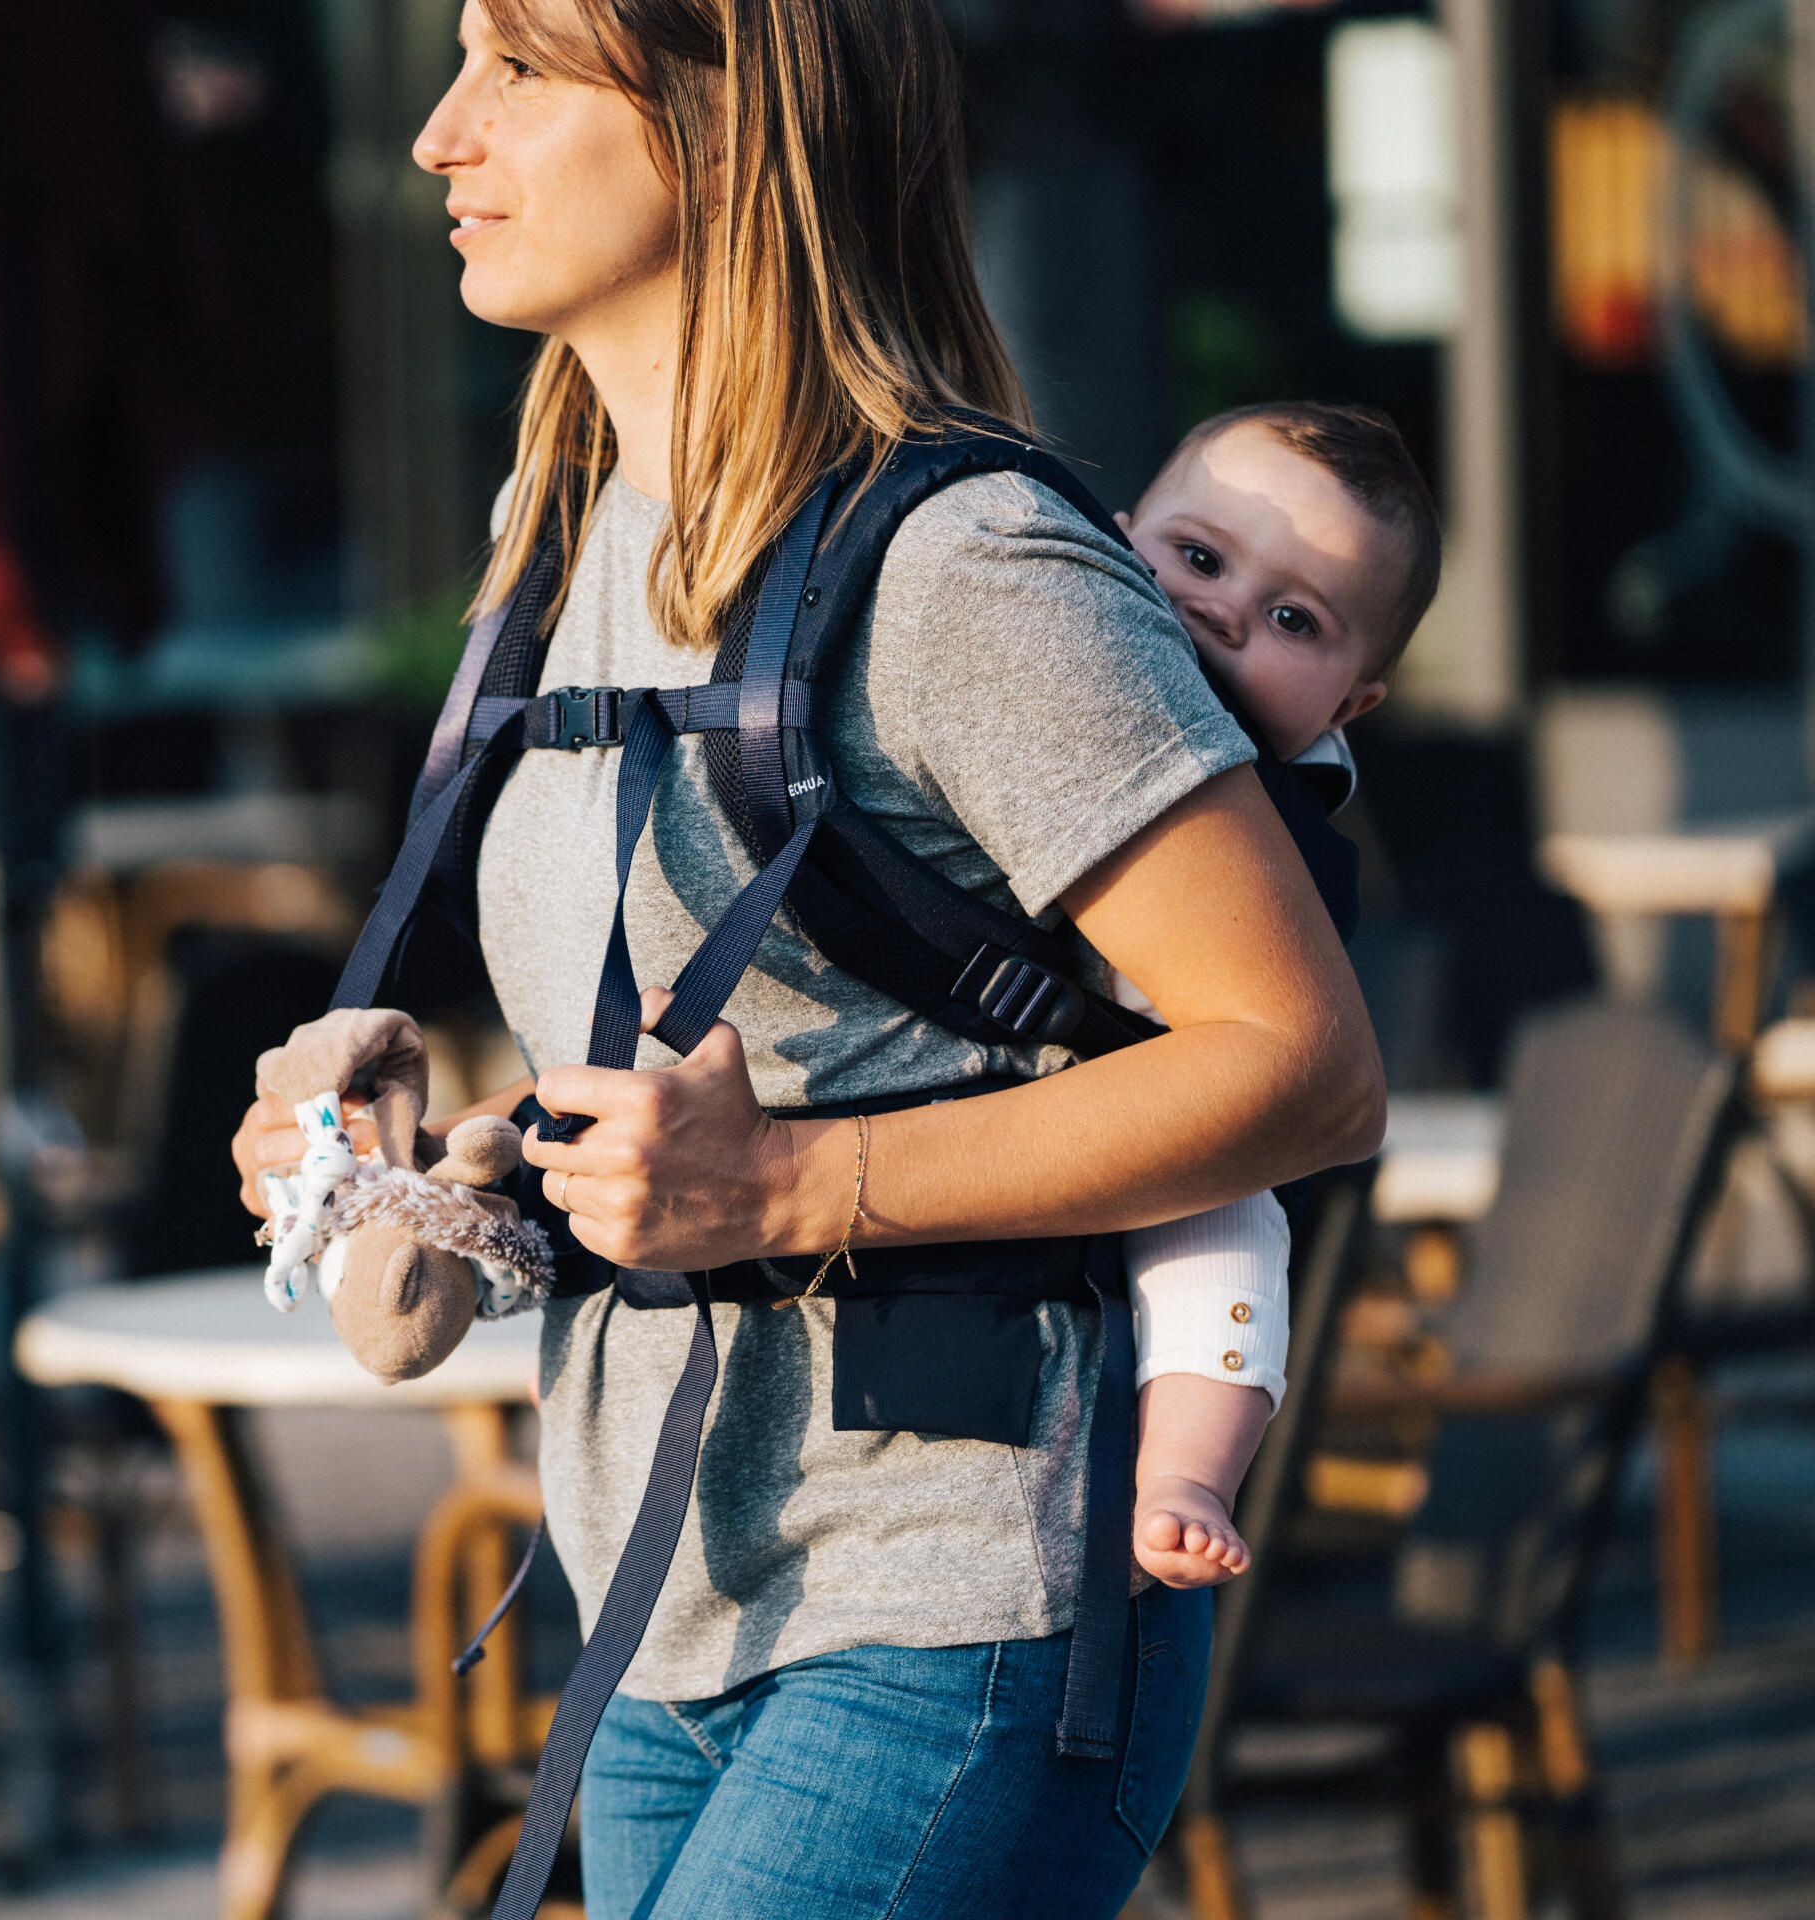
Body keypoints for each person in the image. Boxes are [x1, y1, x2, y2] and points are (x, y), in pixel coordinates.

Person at [232, 3, 1385, 1915]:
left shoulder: (969, 568)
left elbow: (1304, 1059)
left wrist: (786, 1185)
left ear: (723, 112)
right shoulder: (556, 538)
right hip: (662, 1604)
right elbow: (534, 1213)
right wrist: (385, 1169)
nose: (440, 134)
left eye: (518, 66)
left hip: (962, 1605)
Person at [1115, 400, 1441, 1591]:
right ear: (1108, 541)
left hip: (1168, 1123)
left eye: (1294, 620)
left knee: (1228, 1232)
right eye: (1196, 557)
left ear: (1349, 707)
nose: (1221, 609)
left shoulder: (1290, 831)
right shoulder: (1030, 705)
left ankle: (1188, 1475)